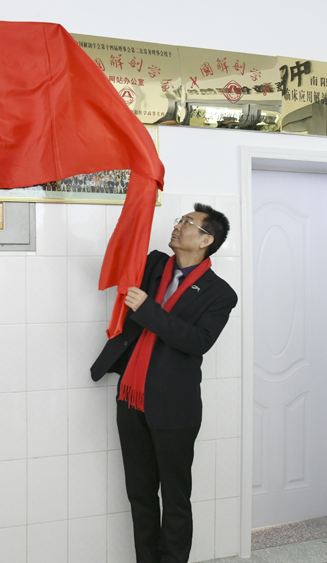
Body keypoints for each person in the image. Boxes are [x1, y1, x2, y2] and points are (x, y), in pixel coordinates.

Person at [90, 203, 237, 563]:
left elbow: (197, 341)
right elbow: (121, 255)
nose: (178, 225)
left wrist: (148, 310)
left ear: (206, 240)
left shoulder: (220, 294)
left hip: (174, 408)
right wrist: (138, 202)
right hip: (131, 399)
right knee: (140, 495)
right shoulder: (154, 265)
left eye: (187, 223)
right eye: (179, 220)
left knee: (174, 498)